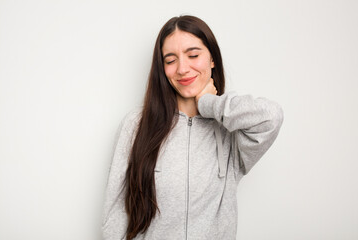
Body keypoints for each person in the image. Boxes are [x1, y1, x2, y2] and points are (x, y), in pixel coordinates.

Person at [102, 15, 284, 240]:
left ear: (212, 59)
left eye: (193, 55)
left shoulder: (230, 132)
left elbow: (271, 116)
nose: (182, 68)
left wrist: (209, 104)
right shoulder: (136, 125)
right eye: (170, 60)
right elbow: (114, 214)